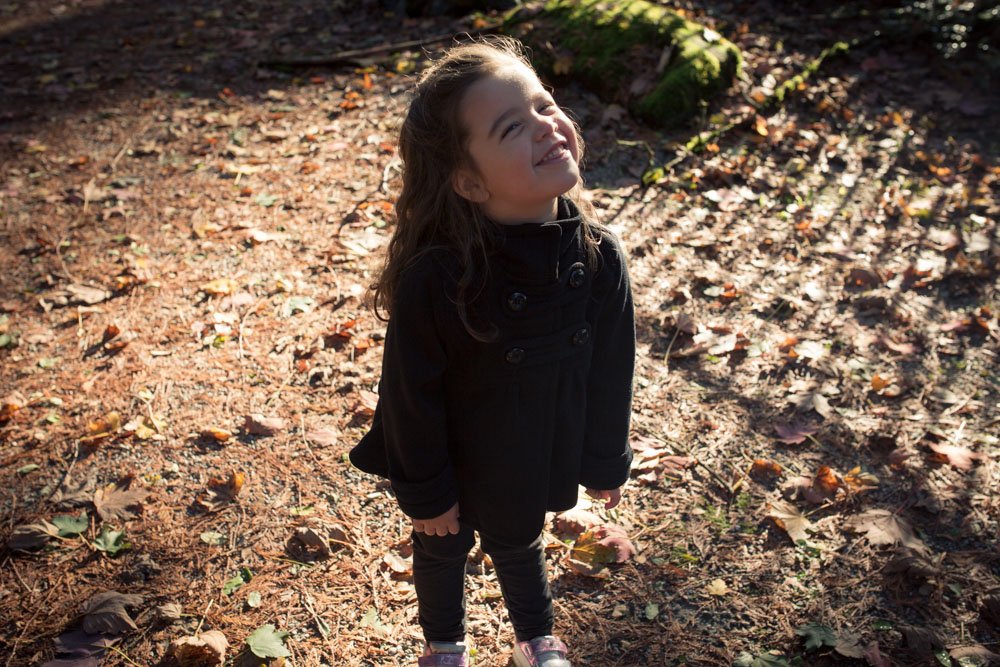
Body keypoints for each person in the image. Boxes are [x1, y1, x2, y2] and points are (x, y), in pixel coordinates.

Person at [350, 35, 635, 667]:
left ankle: (535, 639)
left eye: (544, 105)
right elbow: (409, 395)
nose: (546, 126)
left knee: (518, 536)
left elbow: (612, 373)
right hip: (449, 450)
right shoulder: (438, 278)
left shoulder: (598, 258)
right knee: (441, 543)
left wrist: (604, 460)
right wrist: (427, 491)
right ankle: (444, 644)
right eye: (512, 127)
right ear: (470, 182)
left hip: (528, 449)